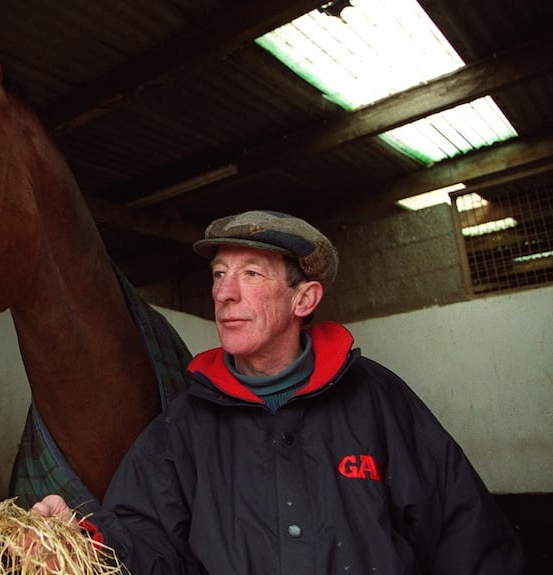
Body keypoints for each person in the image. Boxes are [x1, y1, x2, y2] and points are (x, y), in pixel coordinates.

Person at [29, 210, 525, 574]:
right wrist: (81, 539)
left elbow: (467, 537)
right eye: (220, 275)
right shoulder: (185, 425)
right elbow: (147, 537)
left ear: (303, 299)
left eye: (251, 274)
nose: (224, 293)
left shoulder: (379, 402)